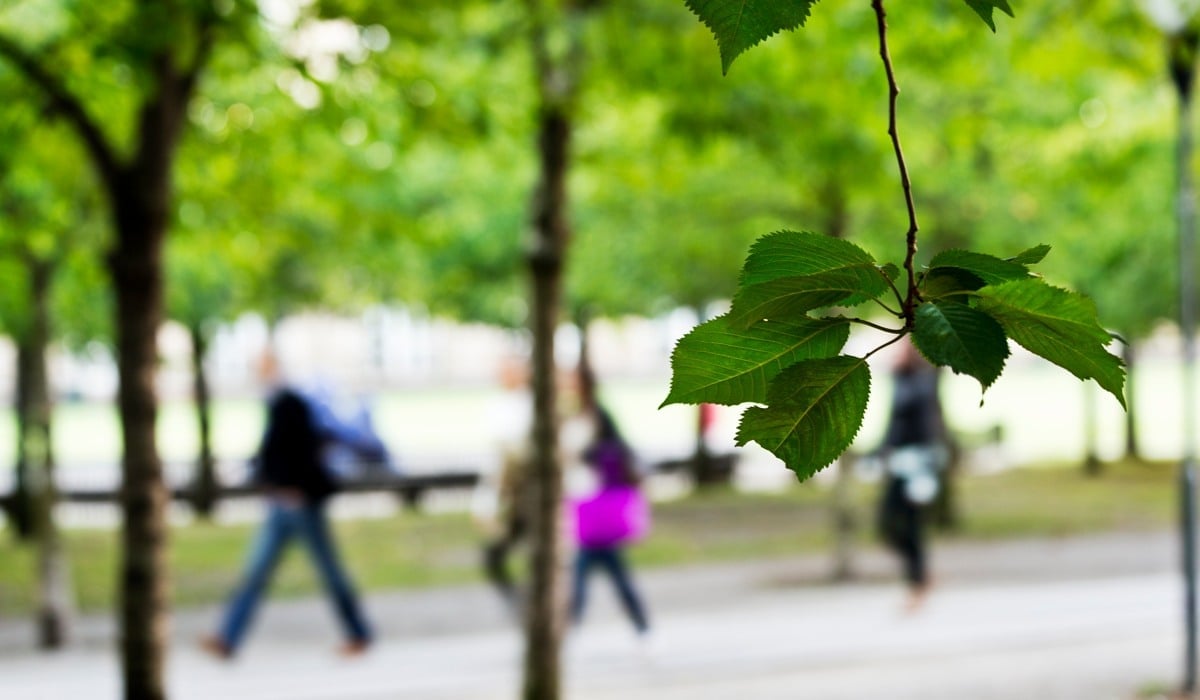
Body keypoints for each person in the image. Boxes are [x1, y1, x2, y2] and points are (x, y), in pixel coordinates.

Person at [202, 355, 389, 659]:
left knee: (326, 572)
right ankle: (228, 637)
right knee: (256, 572)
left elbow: (303, 451)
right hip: (281, 504)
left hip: (299, 504)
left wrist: (295, 488)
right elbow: (272, 454)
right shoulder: (279, 404)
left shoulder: (292, 404)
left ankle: (359, 632)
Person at [876, 340, 948, 612]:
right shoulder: (899, 380)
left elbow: (929, 423)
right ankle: (919, 577)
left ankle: (918, 582)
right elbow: (892, 422)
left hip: (917, 463)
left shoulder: (922, 382)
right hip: (898, 462)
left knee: (912, 525)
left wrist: (930, 462)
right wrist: (881, 451)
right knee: (890, 523)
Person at [567, 405, 651, 637]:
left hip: (594, 525)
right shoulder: (620, 449)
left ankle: (570, 626)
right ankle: (642, 626)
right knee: (617, 579)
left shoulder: (595, 452)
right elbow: (639, 477)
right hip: (607, 525)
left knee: (582, 580)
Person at [473, 355, 534, 614]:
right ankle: (522, 604)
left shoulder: (531, 404)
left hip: (527, 494)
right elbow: (495, 459)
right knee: (495, 554)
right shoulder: (499, 405)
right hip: (509, 496)